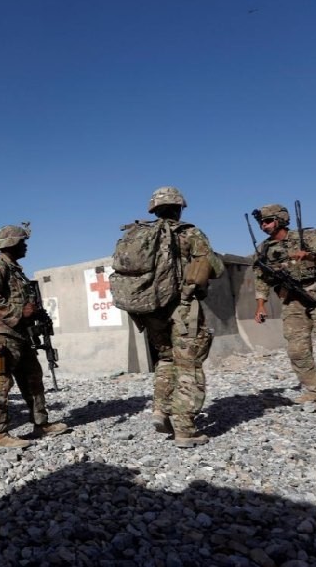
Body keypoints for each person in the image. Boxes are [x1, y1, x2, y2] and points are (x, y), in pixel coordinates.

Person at [125, 187, 223, 448]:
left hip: (150, 310)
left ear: (154, 210)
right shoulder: (189, 233)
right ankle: (185, 430)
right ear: (179, 208)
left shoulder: (140, 235)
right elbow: (213, 267)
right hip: (182, 309)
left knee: (166, 359)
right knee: (188, 365)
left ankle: (161, 410)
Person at [252, 204, 316, 413]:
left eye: (268, 221)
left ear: (280, 220)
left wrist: (309, 256)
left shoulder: (307, 236)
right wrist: (260, 305)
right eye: (261, 222)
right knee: (297, 349)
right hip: (293, 301)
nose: (263, 226)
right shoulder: (265, 249)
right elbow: (261, 278)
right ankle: (313, 390)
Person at [0, 224, 70, 449]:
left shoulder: (15, 270)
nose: (25, 246)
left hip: (21, 335)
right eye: (22, 242)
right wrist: (20, 312)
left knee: (33, 378)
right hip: (3, 336)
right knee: (2, 383)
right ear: (11, 244)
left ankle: (41, 423)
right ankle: (0, 435)